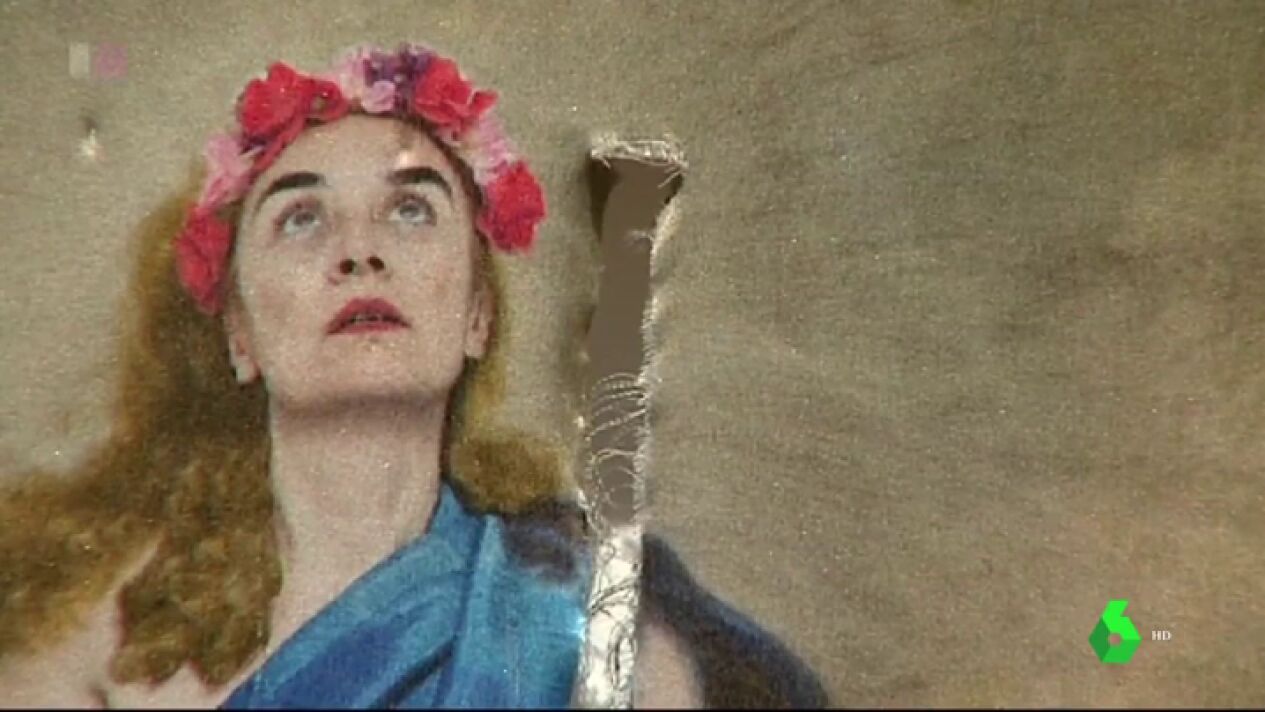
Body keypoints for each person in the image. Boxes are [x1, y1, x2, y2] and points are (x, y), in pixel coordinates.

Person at [0, 43, 827, 708]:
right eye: (301, 217)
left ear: (476, 316)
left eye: (410, 209)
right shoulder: (95, 651)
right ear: (239, 336)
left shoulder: (588, 619)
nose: (360, 251)